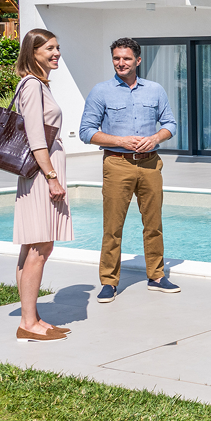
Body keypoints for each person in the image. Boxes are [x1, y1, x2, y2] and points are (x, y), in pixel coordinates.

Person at [79, 37, 179, 302]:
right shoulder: (101, 91)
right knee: (112, 226)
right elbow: (86, 132)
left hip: (150, 165)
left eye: (125, 58)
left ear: (138, 60)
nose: (120, 63)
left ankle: (157, 276)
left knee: (153, 224)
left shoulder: (155, 90)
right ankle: (109, 282)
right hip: (117, 164)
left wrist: (156, 138)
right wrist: (120, 141)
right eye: (116, 58)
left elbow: (171, 124)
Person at [12, 28, 73, 342]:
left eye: (58, 48)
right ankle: (27, 323)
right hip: (40, 176)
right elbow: (36, 138)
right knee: (40, 247)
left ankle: (31, 317)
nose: (56, 53)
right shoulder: (33, 85)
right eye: (49, 48)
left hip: (39, 174)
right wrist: (52, 178)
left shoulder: (37, 85)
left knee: (32, 247)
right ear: (32, 52)